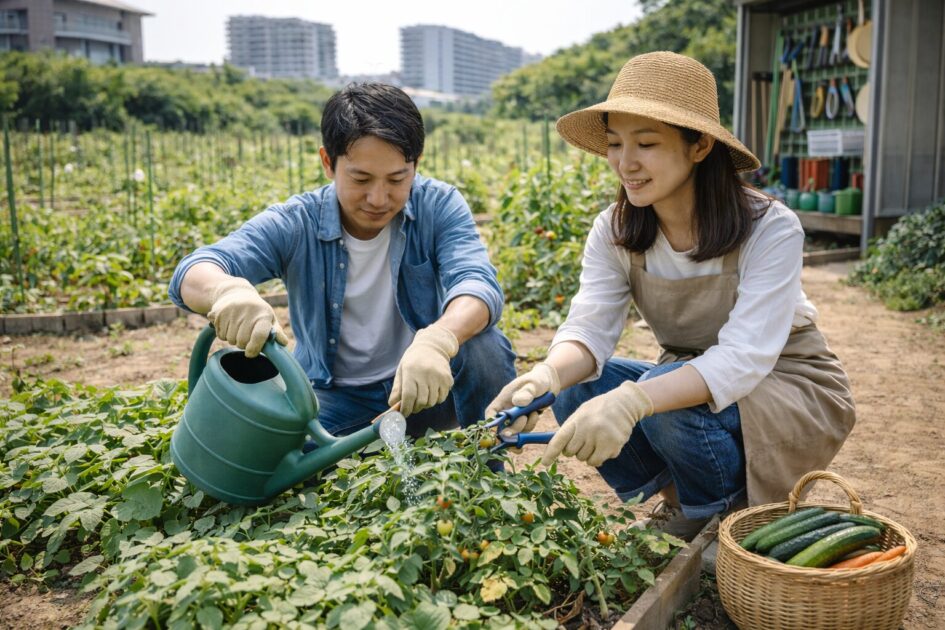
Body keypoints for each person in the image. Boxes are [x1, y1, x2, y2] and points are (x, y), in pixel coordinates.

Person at [486, 52, 856, 540]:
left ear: (700, 145)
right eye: (615, 144)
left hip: (788, 382)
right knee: (581, 388)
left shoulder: (769, 227)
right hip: (692, 381)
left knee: (662, 399)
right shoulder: (615, 230)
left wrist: (636, 399)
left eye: (646, 143)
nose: (626, 162)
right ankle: (686, 507)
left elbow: (744, 357)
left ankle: (729, 516)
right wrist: (545, 376)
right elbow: (590, 329)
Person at [169, 83, 516, 439]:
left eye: (397, 179)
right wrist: (225, 291)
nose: (379, 198)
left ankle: (489, 469)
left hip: (423, 388)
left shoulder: (437, 205)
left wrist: (438, 340)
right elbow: (195, 269)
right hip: (335, 398)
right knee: (277, 460)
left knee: (483, 349)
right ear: (327, 163)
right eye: (361, 179)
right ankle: (367, 444)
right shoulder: (298, 222)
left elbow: (476, 282)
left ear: (416, 165)